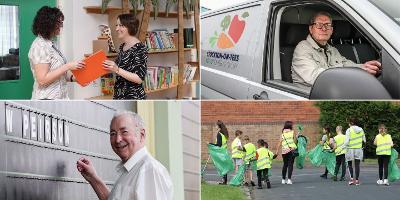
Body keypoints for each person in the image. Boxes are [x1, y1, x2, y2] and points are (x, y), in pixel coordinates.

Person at [76, 111, 173, 200]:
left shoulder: (149, 170)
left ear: (141, 135)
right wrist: (93, 178)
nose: (118, 139)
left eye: (124, 132)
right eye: (113, 133)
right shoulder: (131, 170)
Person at [291, 11, 381, 88]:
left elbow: (345, 64)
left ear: (331, 30)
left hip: (332, 90)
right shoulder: (302, 48)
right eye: (319, 25)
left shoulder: (331, 49)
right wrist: (353, 76)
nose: (324, 28)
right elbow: (317, 77)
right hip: (308, 95)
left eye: (327, 25)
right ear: (311, 29)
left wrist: (363, 67)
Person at [28, 6, 85, 99]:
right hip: (47, 100)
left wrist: (74, 79)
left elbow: (57, 74)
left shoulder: (51, 44)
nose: (61, 26)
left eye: (61, 23)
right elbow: (42, 80)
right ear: (48, 23)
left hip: (60, 99)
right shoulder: (40, 46)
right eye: (58, 23)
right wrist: (67, 66)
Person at [102, 14, 148, 99]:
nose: (116, 29)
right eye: (117, 25)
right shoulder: (122, 46)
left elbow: (139, 78)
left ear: (130, 27)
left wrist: (117, 69)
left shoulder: (140, 48)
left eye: (121, 25)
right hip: (119, 94)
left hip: (133, 96)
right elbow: (117, 68)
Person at [343, 117, 366, 186]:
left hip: (350, 149)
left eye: (349, 123)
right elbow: (364, 140)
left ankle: (352, 179)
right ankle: (357, 180)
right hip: (358, 149)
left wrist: (342, 147)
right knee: (357, 165)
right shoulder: (361, 130)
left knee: (349, 164)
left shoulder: (349, 130)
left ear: (351, 123)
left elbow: (347, 141)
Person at [209, 120, 229, 184]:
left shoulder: (219, 134)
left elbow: (219, 144)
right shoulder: (224, 133)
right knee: (224, 167)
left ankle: (224, 181)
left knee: (222, 167)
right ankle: (224, 181)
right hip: (224, 152)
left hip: (221, 152)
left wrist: (210, 144)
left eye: (216, 125)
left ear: (218, 126)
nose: (215, 126)